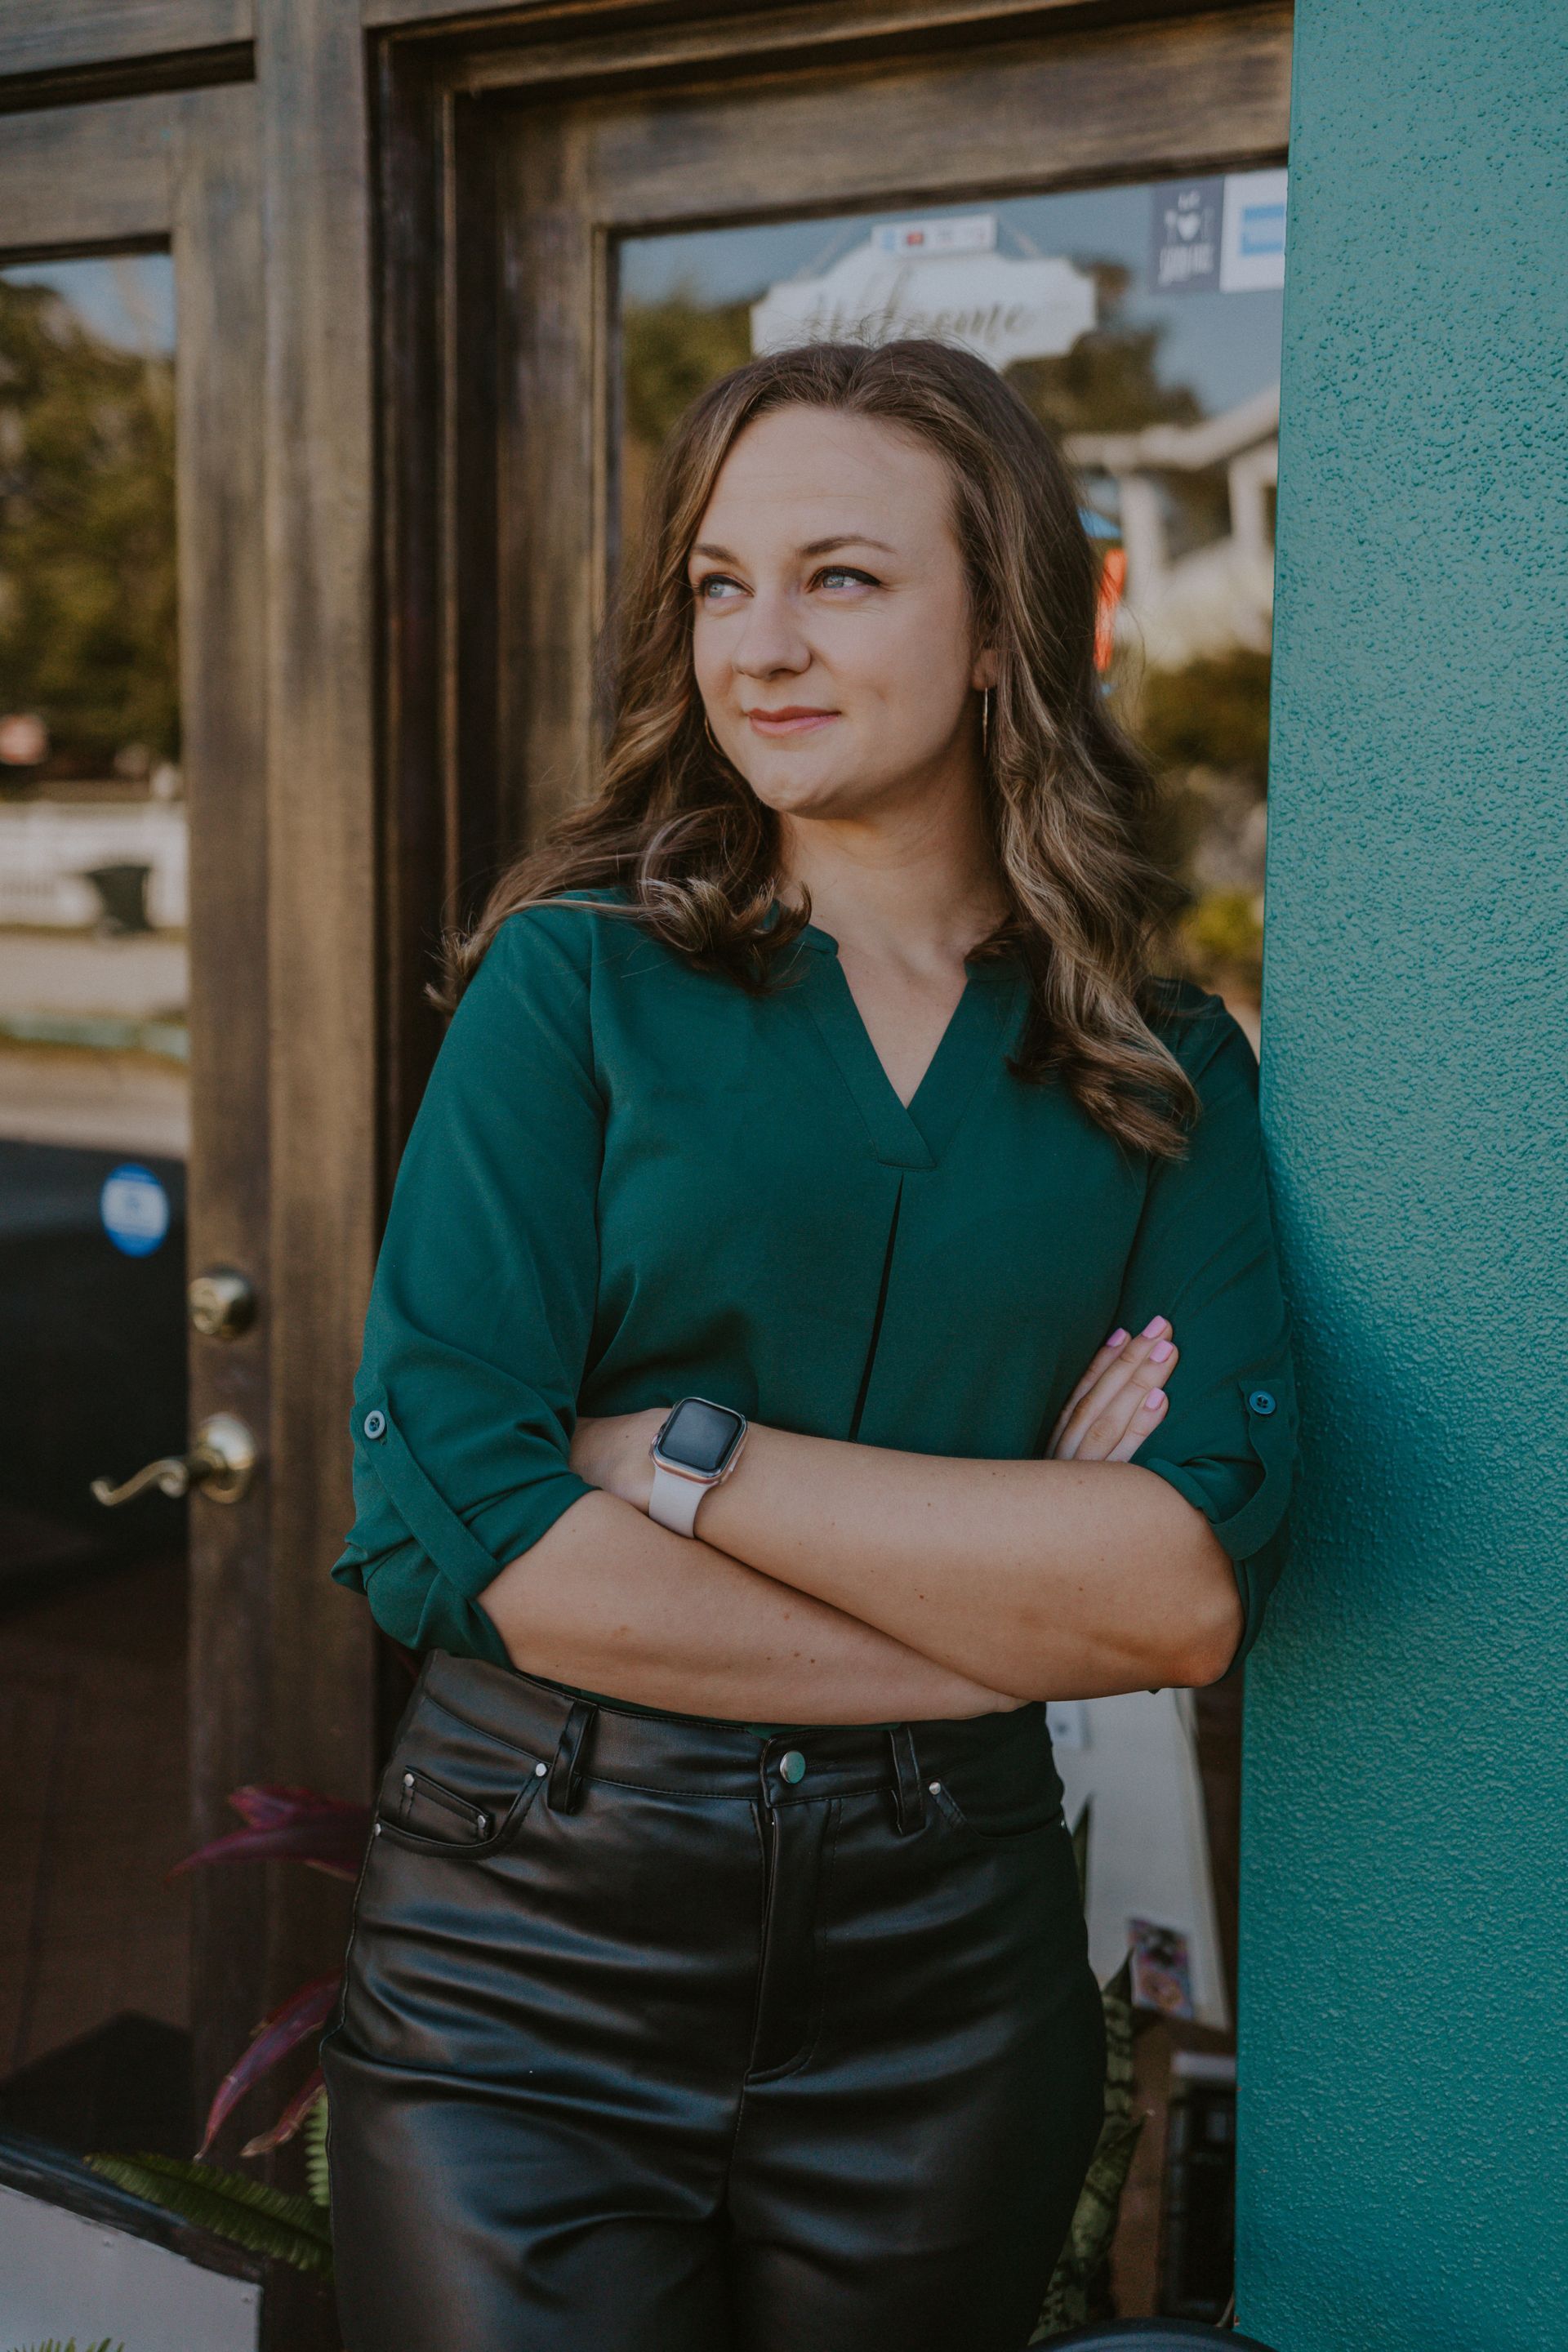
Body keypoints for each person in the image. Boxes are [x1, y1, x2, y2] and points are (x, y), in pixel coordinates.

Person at [319, 336, 1298, 2352]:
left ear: (1008, 627)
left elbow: (1185, 1588)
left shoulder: (1154, 1068)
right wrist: (1009, 1594)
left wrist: (678, 1457)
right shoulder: (569, 989)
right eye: (718, 583)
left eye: (840, 577)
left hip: (948, 1979)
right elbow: (457, 1531)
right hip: (530, 1958)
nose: (756, 644)